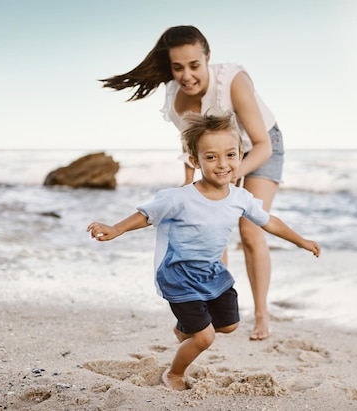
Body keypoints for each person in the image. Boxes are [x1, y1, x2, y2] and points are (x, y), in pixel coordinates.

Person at [87, 112, 320, 391]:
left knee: (230, 325)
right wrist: (116, 228)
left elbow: (270, 221)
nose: (222, 164)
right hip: (177, 275)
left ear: (241, 155)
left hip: (212, 272)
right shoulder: (179, 198)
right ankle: (174, 373)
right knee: (205, 338)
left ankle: (183, 329)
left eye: (230, 155)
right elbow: (147, 215)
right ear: (195, 161)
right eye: (211, 157)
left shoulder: (240, 198)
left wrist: (299, 240)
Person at [100, 25, 284, 340]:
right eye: (178, 67)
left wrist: (233, 175)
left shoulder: (233, 81)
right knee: (213, 225)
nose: (187, 75)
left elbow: (262, 144)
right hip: (216, 159)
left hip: (260, 148)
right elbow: (192, 150)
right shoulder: (178, 102)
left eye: (194, 65)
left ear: (207, 58)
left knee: (250, 230)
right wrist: (190, 189)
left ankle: (262, 315)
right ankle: (212, 306)